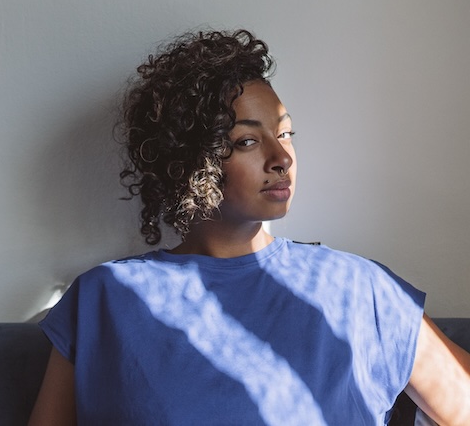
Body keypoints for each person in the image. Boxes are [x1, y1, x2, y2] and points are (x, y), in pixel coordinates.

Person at [28, 29, 470, 425]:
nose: (282, 158)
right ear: (188, 160)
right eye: (247, 141)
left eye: (286, 134)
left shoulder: (359, 287)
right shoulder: (106, 296)